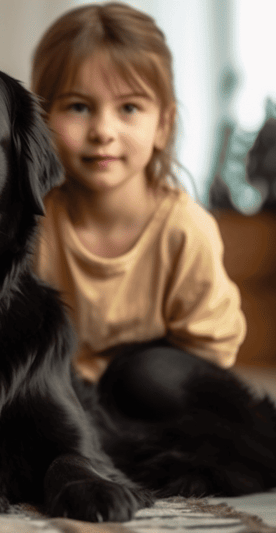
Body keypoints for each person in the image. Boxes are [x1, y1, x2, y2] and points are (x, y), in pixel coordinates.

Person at [31, 2, 246, 418]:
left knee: (150, 375)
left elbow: (211, 351)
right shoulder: (35, 225)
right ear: (43, 120)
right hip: (62, 391)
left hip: (151, 400)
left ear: (162, 125)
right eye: (78, 107)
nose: (103, 131)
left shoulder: (184, 228)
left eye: (128, 108)